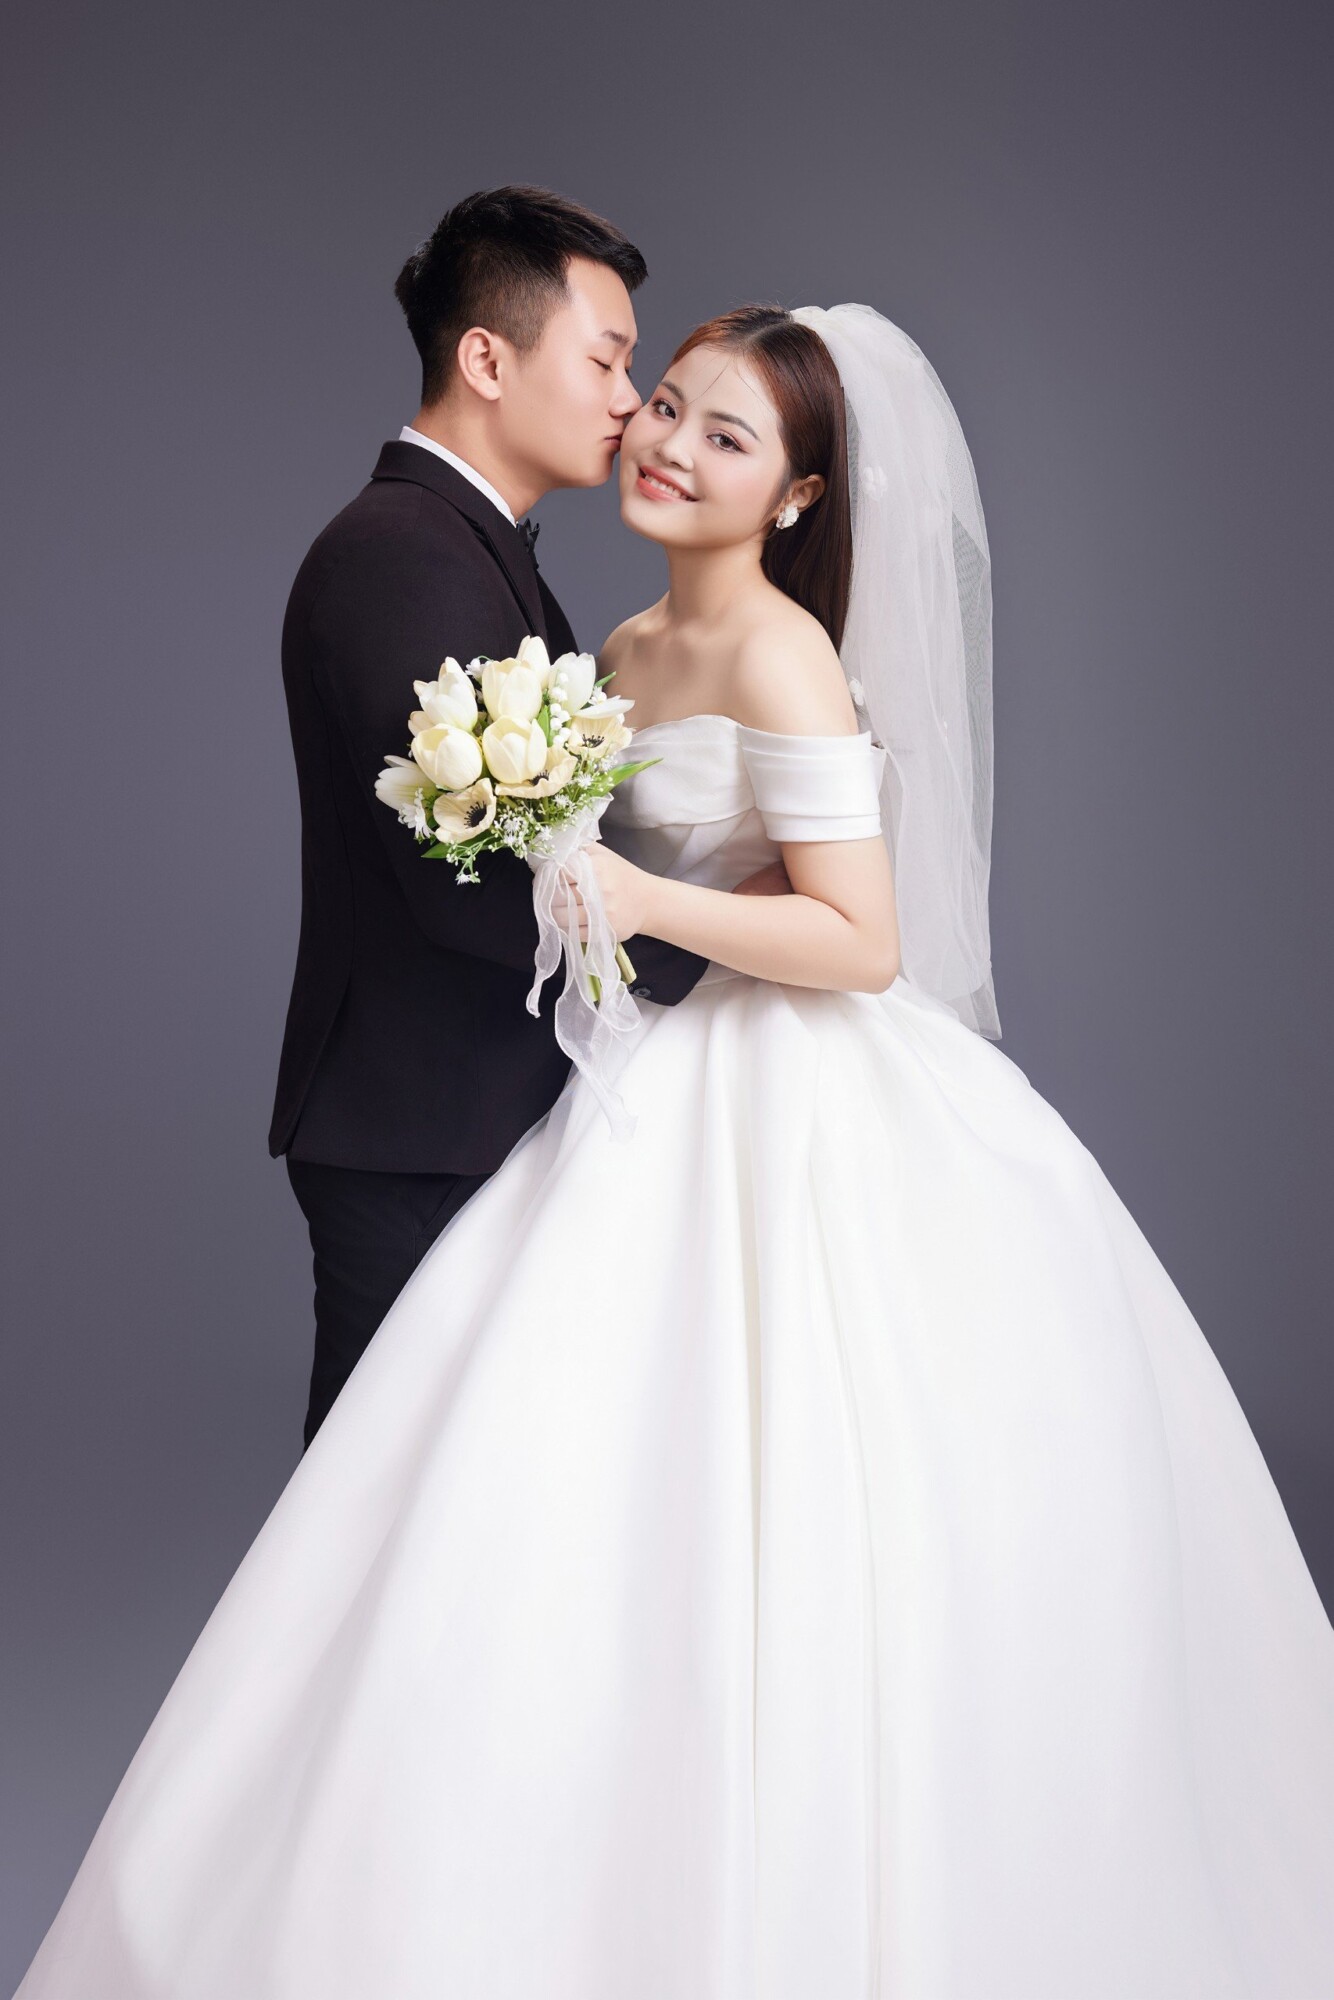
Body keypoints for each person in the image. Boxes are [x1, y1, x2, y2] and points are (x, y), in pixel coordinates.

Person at [17, 303, 1334, 1998]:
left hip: (797, 1095)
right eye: (668, 409)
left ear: (795, 495)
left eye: (727, 437)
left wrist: (636, 897)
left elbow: (859, 938)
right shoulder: (619, 649)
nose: (670, 446)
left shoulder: (781, 654)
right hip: (639, 1084)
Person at [269, 185, 781, 1448]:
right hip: (418, 1125)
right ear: (487, 360)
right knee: (378, 1505)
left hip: (464, 1112)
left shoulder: (472, 546)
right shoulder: (403, 553)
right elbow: (468, 885)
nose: (628, 400)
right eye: (606, 361)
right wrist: (722, 942)